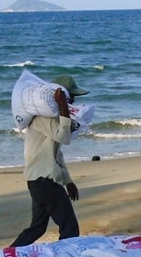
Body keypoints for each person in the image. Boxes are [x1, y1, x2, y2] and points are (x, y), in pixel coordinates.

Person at [11, 75, 89, 246]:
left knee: (37, 228)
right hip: (44, 180)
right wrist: (62, 107)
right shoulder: (42, 119)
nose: (73, 101)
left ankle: (9, 253)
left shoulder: (50, 118)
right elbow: (64, 137)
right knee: (70, 228)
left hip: (38, 181)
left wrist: (68, 182)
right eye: (71, 97)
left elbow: (57, 154)